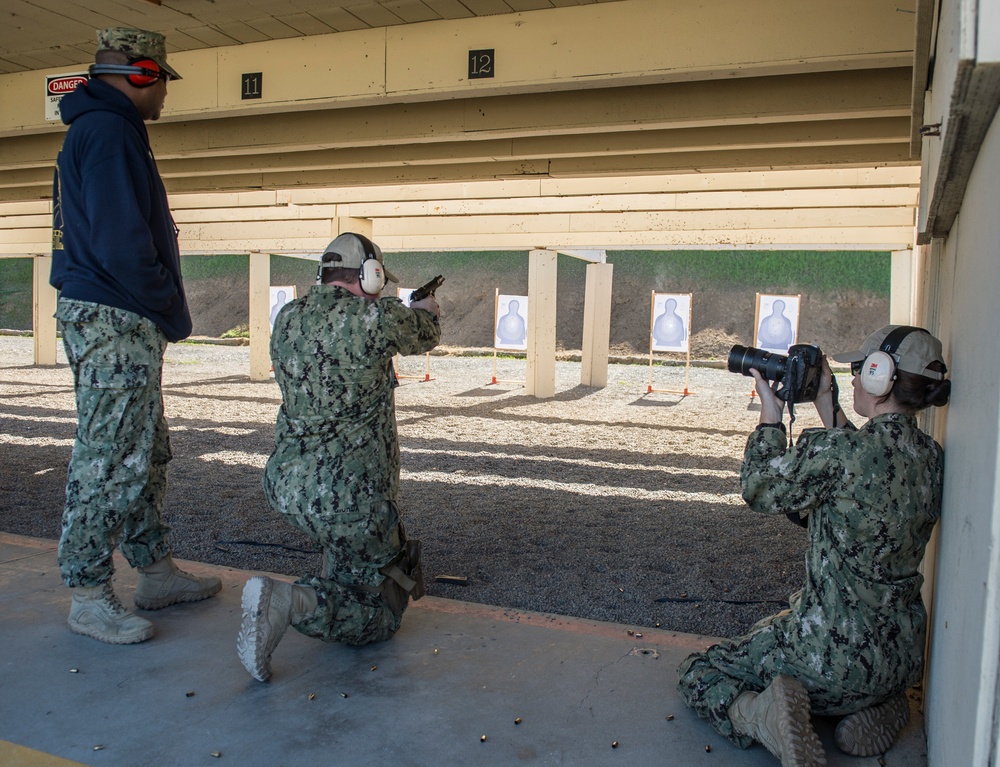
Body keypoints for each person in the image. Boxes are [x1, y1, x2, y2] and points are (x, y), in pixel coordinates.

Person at [676, 325, 951, 766]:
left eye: (862, 370)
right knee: (786, 617)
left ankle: (759, 716)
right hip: (901, 653)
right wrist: (826, 402)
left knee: (700, 671)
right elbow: (865, 460)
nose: (854, 379)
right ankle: (880, 702)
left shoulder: (840, 454)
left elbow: (758, 487)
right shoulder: (931, 457)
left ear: (884, 376)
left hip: (830, 658)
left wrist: (770, 414)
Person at [50, 28, 221, 645]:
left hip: (115, 315)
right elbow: (126, 244)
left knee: (141, 450)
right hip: (117, 314)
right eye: (161, 82)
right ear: (141, 74)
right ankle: (89, 592)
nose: (164, 96)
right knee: (109, 457)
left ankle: (154, 571)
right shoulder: (110, 132)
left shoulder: (101, 130)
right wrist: (168, 309)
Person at [237, 232, 442, 682]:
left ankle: (319, 590)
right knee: (382, 613)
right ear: (369, 276)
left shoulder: (288, 317)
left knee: (344, 550)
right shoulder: (376, 318)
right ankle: (292, 603)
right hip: (352, 496)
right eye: (379, 279)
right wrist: (425, 309)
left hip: (289, 488)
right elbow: (424, 332)